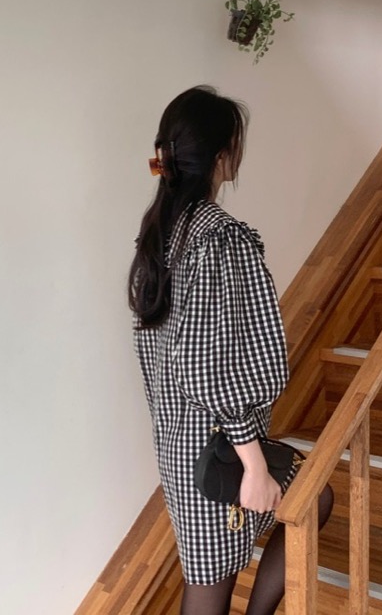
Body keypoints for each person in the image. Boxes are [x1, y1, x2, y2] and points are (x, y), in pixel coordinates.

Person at [128, 86, 333, 615]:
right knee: (211, 586)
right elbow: (203, 370)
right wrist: (254, 465)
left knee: (306, 501)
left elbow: (163, 356)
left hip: (181, 444)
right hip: (215, 445)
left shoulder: (162, 234)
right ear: (224, 156)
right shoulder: (219, 239)